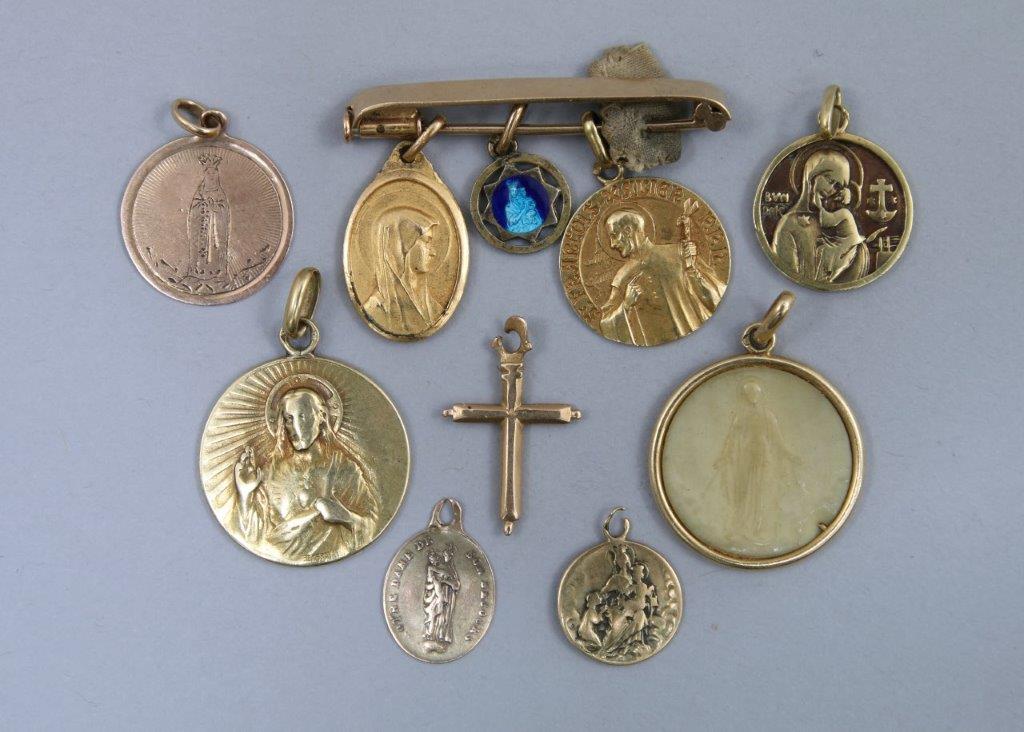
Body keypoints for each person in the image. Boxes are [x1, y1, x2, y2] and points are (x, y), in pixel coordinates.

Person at [232, 384, 380, 560]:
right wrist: (245, 494)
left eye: (302, 416)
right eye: (289, 419)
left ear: (321, 416)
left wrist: (345, 516)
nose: (295, 427)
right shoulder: (270, 472)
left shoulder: (343, 468)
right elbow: (251, 537)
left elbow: (372, 526)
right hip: (276, 562)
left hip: (334, 561)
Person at [598, 207, 725, 345]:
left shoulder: (678, 253)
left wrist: (691, 268)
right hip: (657, 349)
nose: (612, 244)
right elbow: (606, 324)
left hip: (699, 336)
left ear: (628, 231)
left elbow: (716, 295)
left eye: (614, 235)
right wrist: (626, 305)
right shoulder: (622, 276)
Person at [709, 380, 802, 546]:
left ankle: (757, 530)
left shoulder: (768, 415)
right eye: (748, 393)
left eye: (755, 393)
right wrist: (723, 457)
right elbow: (731, 439)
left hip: (763, 458)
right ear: (744, 396)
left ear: (759, 395)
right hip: (744, 458)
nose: (752, 396)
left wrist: (789, 455)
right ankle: (739, 529)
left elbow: (777, 440)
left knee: (760, 493)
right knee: (742, 493)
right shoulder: (740, 416)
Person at [771, 147, 881, 283]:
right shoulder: (789, 224)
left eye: (837, 186)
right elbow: (787, 274)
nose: (831, 191)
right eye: (830, 181)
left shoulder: (838, 217)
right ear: (812, 176)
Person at [364, 213, 445, 334]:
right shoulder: (375, 308)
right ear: (403, 248)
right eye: (426, 242)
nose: (433, 252)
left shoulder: (433, 307)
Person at [422, 544, 460, 651]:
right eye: (444, 555)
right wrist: (445, 580)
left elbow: (456, 585)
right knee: (436, 615)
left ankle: (441, 636)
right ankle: (434, 635)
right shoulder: (435, 568)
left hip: (447, 596)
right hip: (438, 596)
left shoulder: (450, 569)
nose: (445, 557)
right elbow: (436, 577)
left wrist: (446, 581)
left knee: (444, 616)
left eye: (446, 555)